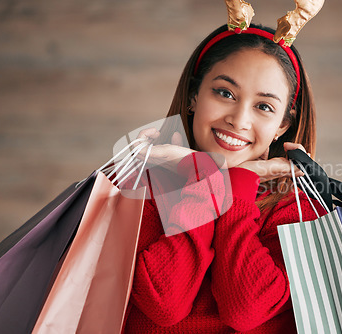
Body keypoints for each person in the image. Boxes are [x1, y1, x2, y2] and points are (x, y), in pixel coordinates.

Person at [122, 20, 328, 333]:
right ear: (194, 96)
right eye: (225, 93)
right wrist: (206, 179)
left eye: (263, 106)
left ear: (282, 126)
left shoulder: (297, 208)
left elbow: (247, 310)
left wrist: (236, 187)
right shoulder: (139, 187)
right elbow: (164, 305)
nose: (239, 120)